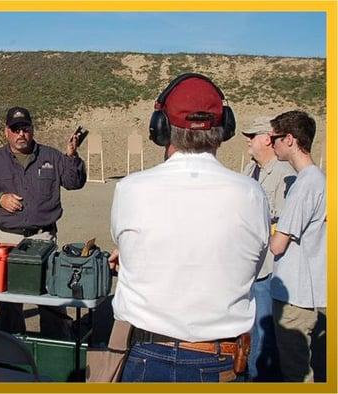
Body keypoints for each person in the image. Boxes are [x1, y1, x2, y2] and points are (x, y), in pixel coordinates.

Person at [109, 73, 270, 382]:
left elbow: (130, 249)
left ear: (161, 127)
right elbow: (252, 264)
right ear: (226, 128)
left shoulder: (130, 189)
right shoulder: (252, 194)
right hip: (220, 360)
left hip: (147, 352)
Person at [0, 106, 86, 339]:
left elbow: (74, 182)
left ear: (32, 130)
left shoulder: (51, 156)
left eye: (25, 128)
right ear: (6, 132)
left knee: (51, 296)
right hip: (5, 239)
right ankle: (15, 352)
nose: (21, 134)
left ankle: (55, 351)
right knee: (9, 301)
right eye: (15, 129)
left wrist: (71, 155)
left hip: (42, 238)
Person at [268, 110, 326, 382]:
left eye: (275, 138)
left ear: (290, 139)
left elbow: (278, 245)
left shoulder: (305, 185)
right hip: (310, 292)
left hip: (295, 297)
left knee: (296, 374)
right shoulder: (318, 181)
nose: (272, 144)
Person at [241, 116, 296, 381]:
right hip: (249, 267)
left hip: (269, 271)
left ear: (266, 138)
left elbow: (283, 224)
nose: (248, 143)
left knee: (265, 336)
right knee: (250, 332)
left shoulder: (285, 176)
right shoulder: (250, 171)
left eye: (252, 137)